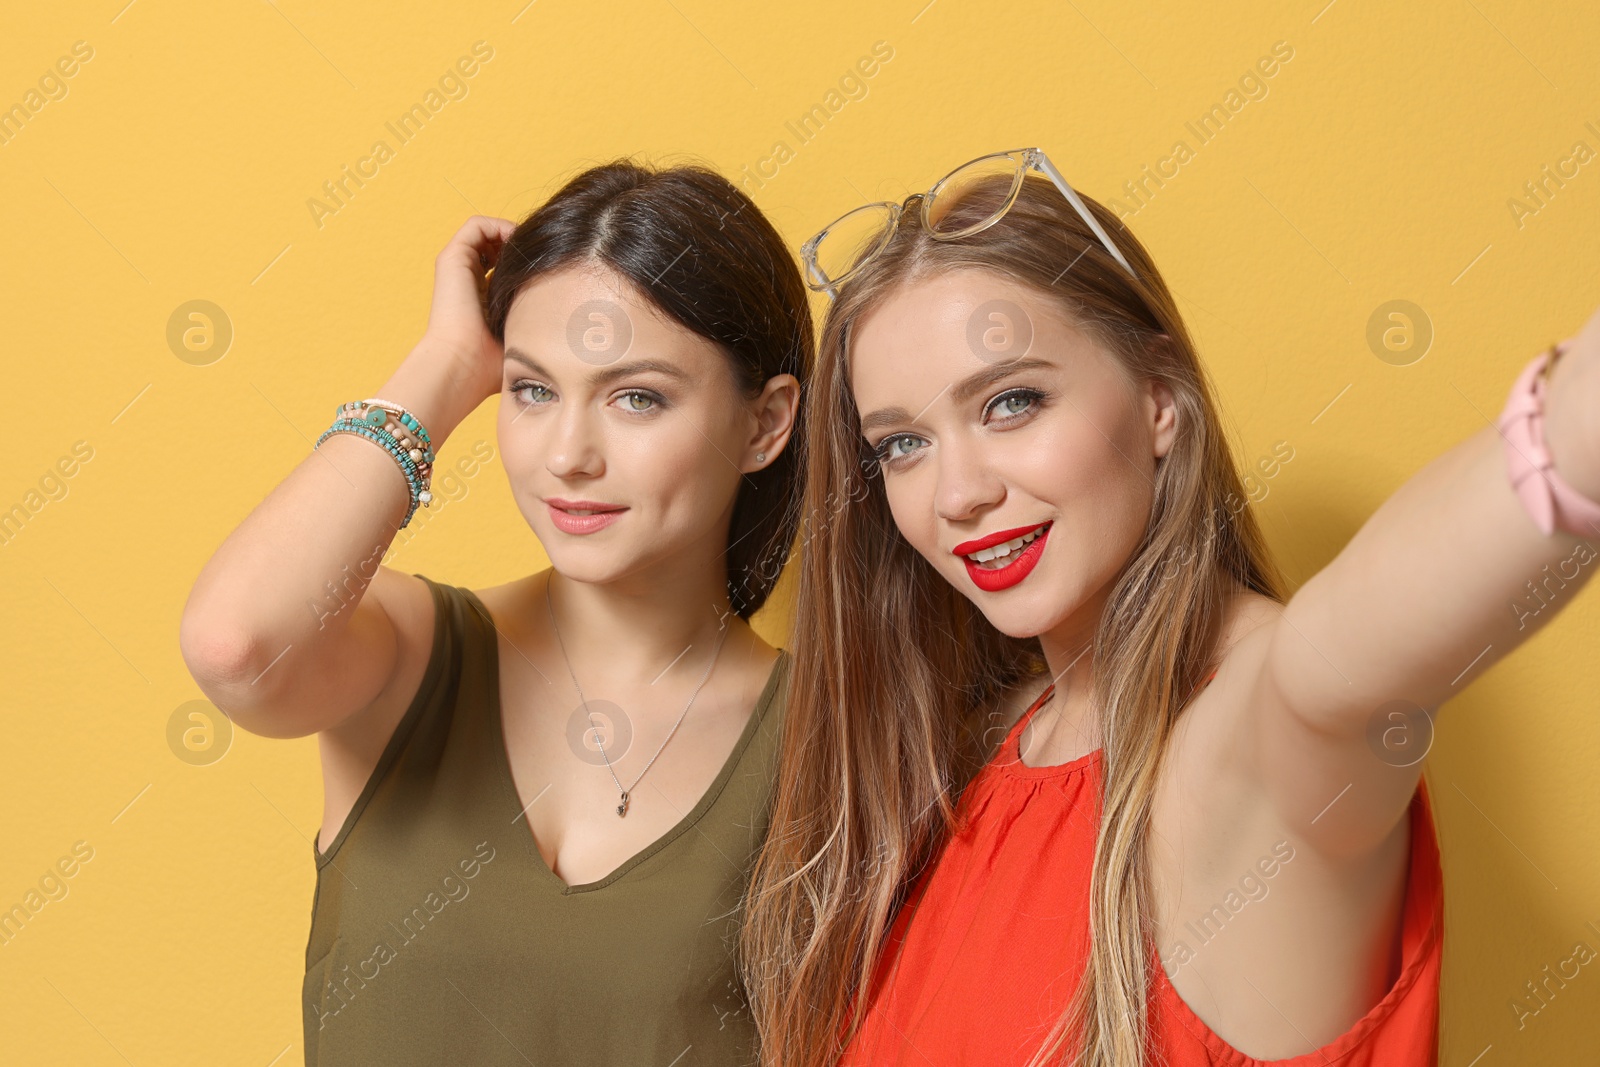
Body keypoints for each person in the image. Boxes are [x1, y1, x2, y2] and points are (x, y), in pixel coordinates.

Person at [742, 148, 1600, 1066]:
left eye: (1012, 402)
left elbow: (1345, 650)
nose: (956, 493)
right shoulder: (970, 758)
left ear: (1160, 397)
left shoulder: (1255, 736)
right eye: (902, 444)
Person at [179, 159, 811, 1065]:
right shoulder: (406, 654)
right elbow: (236, 648)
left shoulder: (832, 737)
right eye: (532, 389)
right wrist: (443, 368)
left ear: (765, 424)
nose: (567, 455)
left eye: (637, 396)